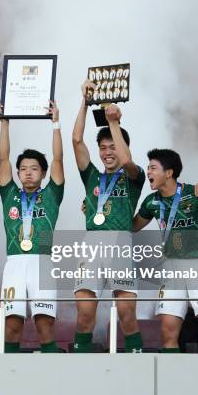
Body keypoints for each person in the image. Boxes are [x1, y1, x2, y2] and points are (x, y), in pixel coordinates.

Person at [133, 149, 198, 353]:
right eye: (147, 168)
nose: (148, 172)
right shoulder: (151, 201)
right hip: (171, 267)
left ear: (169, 173)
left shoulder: (195, 193)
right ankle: (170, 379)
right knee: (168, 331)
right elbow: (132, 226)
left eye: (153, 168)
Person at [72, 79, 144, 353]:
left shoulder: (133, 177)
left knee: (127, 315)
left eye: (112, 146)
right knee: (85, 314)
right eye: (103, 147)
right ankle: (80, 359)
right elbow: (76, 140)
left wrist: (113, 122)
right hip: (91, 244)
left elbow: (127, 161)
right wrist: (85, 101)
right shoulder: (91, 176)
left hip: (120, 244)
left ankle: (137, 361)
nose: (107, 152)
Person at [0, 101, 64, 353]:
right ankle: (8, 374)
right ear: (17, 173)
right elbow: (2, 157)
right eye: (23, 169)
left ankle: (53, 376)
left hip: (43, 262)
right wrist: (5, 122)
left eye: (34, 169)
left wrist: (55, 123)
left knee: (45, 324)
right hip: (14, 263)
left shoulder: (52, 194)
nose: (28, 173)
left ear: (44, 173)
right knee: (12, 325)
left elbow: (58, 157)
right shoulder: (9, 194)